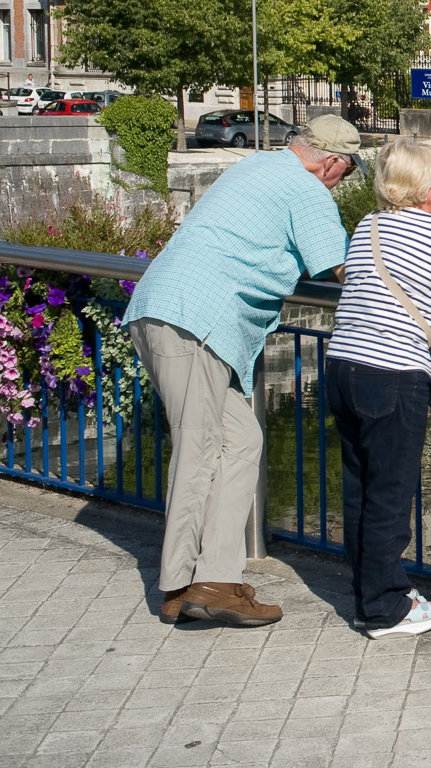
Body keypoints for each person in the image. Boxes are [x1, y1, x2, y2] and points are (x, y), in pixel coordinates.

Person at [124, 114, 360, 626]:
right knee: (199, 450)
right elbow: (343, 270)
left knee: (242, 440)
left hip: (166, 310)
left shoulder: (257, 167)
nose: (343, 181)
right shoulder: (307, 190)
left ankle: (216, 577)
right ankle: (182, 587)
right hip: (192, 321)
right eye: (347, 170)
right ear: (333, 163)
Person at [326, 139, 431, 639]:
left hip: (343, 364)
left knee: (361, 488)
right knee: (391, 495)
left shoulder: (366, 225)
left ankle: (369, 592)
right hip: (393, 373)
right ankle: (384, 609)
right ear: (421, 188)